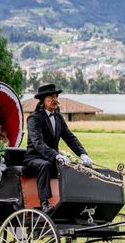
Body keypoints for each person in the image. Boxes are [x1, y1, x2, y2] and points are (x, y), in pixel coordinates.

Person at [23, 83, 93, 213]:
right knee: (45, 165)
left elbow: (69, 137)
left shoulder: (58, 117)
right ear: (43, 101)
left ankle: (75, 202)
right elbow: (38, 142)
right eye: (51, 97)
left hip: (53, 158)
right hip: (34, 158)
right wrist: (56, 155)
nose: (55, 99)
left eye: (56, 96)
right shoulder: (34, 118)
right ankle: (44, 203)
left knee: (75, 167)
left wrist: (83, 154)